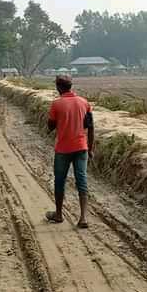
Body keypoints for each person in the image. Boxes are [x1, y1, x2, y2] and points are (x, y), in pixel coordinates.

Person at [45, 75, 94, 228]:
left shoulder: (56, 104)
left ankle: (59, 214)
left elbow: (50, 126)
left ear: (58, 87)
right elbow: (91, 127)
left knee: (60, 181)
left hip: (63, 149)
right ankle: (83, 218)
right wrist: (91, 148)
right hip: (81, 147)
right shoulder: (84, 102)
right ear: (71, 86)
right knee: (82, 180)